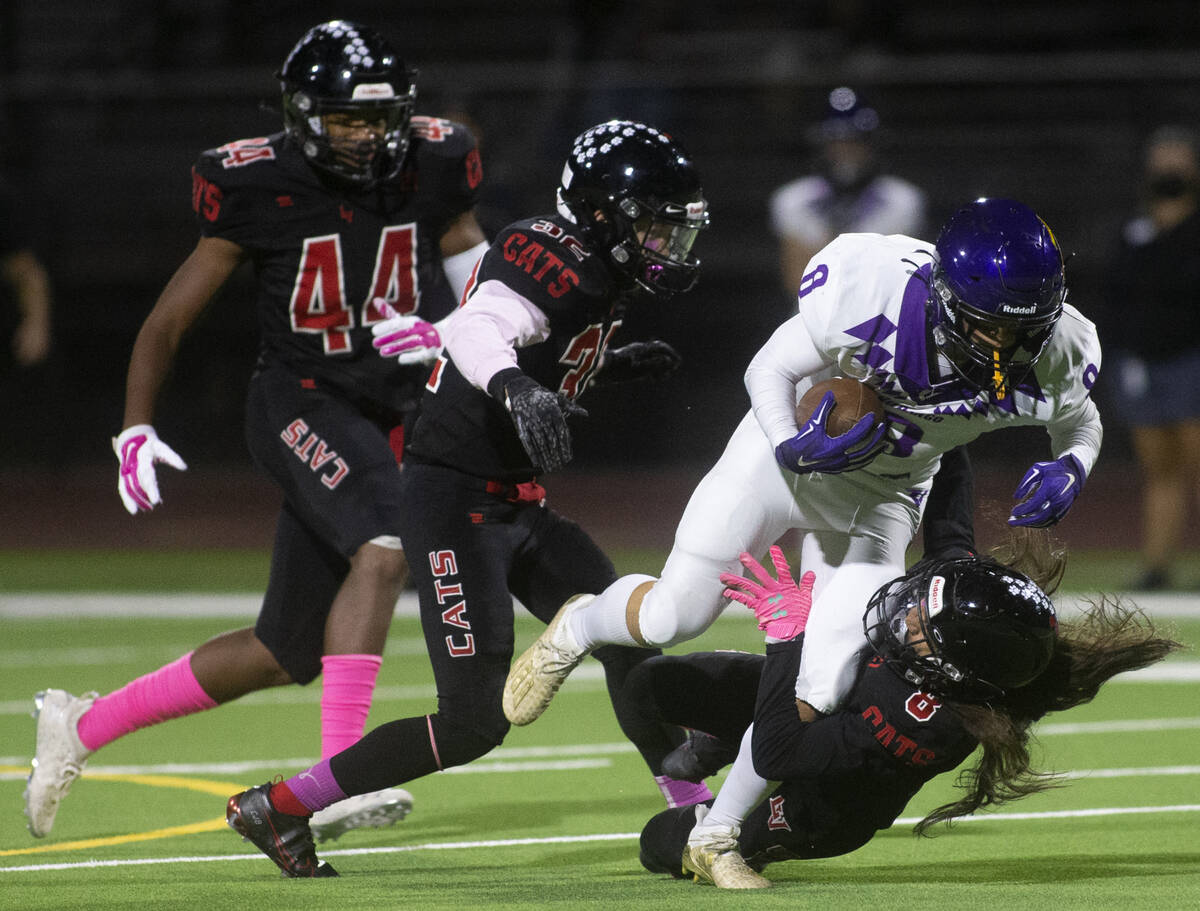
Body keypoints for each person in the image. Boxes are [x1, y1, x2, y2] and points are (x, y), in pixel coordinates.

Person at [503, 196, 1103, 875]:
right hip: (782, 460)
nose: (1006, 348)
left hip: (882, 497)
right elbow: (769, 368)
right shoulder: (868, 285)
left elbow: (1080, 420)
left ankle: (716, 835)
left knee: (823, 683)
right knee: (678, 610)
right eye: (989, 326)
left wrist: (1072, 464)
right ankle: (582, 625)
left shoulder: (1058, 347)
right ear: (946, 296)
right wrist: (790, 444)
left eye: (1024, 330)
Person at [23, 20, 490, 842]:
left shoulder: (436, 163)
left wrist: (481, 350)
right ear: (304, 115)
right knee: (385, 545)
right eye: (346, 117)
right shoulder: (256, 182)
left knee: (284, 650)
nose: (366, 135)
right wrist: (134, 426)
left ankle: (80, 725)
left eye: (379, 118)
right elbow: (169, 321)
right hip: (298, 401)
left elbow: (479, 282)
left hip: (386, 408)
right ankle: (335, 781)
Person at [223, 119, 712, 878]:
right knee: (473, 722)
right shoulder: (552, 254)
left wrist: (602, 364)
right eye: (652, 224)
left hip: (516, 501)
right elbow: (480, 328)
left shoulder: (594, 268)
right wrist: (517, 384)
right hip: (455, 502)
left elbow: (530, 337)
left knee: (624, 635)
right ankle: (282, 804)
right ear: (606, 212)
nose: (664, 244)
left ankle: (694, 808)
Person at [633, 543, 1181, 887]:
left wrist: (786, 638)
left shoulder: (925, 719)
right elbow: (949, 520)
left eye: (926, 627)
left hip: (820, 800)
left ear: (961, 669)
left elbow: (781, 752)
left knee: (658, 842)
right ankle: (723, 741)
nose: (910, 617)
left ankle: (724, 768)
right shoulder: (956, 659)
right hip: (837, 708)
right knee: (651, 684)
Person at [1102, 125, 1200, 591]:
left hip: (1192, 359)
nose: (1169, 170)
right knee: (1160, 471)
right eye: (1161, 161)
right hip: (1144, 362)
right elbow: (1117, 293)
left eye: (1177, 160)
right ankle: (1157, 565)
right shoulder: (1135, 228)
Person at [768, 86, 926, 303]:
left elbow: (897, 277)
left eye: (854, 141)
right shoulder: (793, 200)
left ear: (871, 144)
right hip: (811, 316)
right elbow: (797, 280)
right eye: (837, 142)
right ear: (822, 145)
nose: (845, 151)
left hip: (881, 316)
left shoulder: (902, 200)